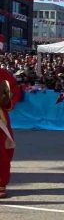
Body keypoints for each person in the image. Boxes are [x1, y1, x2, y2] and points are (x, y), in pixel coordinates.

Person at [0, 68, 19, 199]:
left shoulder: (4, 74)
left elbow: (13, 92)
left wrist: (6, 99)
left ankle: (0, 184)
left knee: (2, 152)